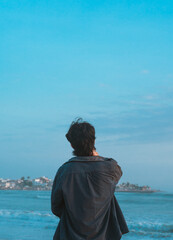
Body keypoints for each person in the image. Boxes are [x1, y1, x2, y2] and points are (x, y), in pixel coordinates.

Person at [51, 118, 129, 240]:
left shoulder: (65, 171)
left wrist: (75, 216)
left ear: (72, 145)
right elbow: (116, 171)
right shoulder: (110, 167)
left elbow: (56, 207)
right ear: (93, 141)